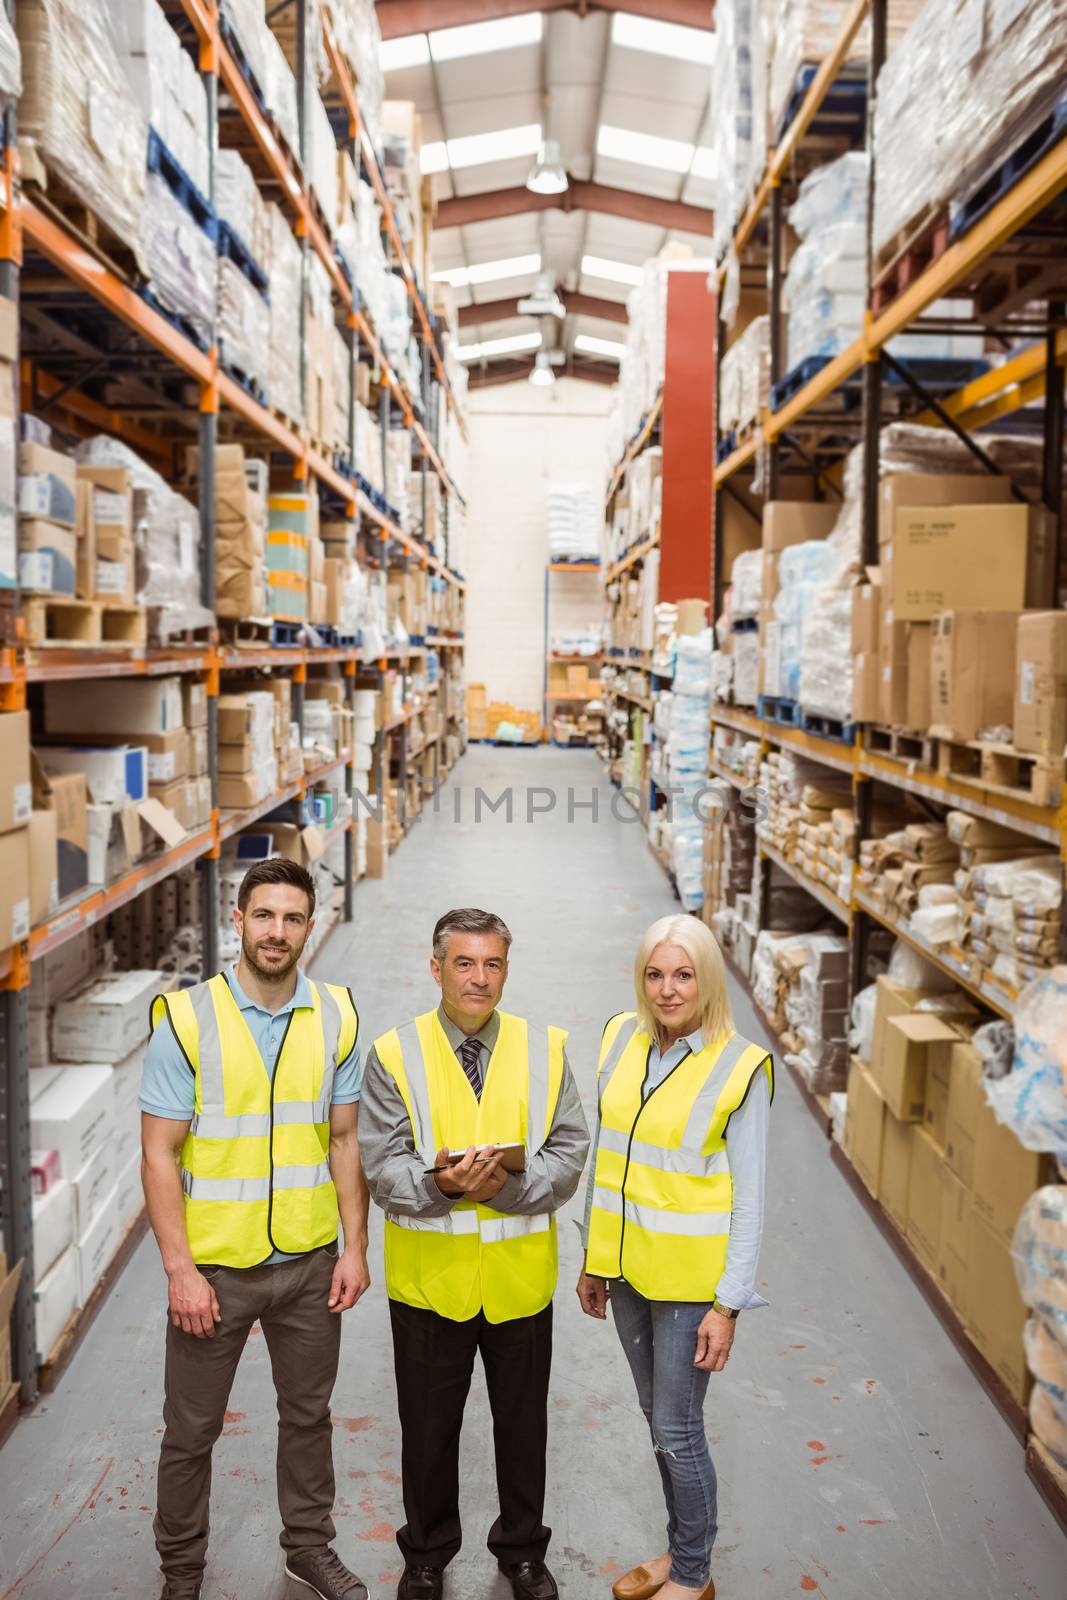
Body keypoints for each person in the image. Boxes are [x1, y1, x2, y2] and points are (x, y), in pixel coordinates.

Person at [140, 858, 371, 1600]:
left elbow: (343, 1143)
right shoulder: (187, 1018)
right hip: (214, 1272)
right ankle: (181, 1572)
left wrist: (355, 1248)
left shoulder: (335, 1013)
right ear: (236, 921)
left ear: (309, 925)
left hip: (309, 1265)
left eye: (292, 918)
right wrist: (180, 1269)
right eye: (263, 916)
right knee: (191, 1434)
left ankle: (308, 1548)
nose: (277, 932)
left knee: (308, 1417)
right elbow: (159, 1151)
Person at [360, 908, 590, 1600]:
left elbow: (570, 1150)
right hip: (430, 1282)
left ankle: (521, 1549)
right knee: (427, 1432)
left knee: (522, 1428)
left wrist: (511, 1188)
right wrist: (441, 1185)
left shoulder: (543, 1048)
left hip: (519, 1280)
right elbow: (381, 1164)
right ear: (436, 969)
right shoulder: (394, 1054)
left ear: (506, 971)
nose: (478, 978)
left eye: (492, 964)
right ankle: (426, 1553)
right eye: (464, 963)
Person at [576, 914, 773, 1600]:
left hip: (691, 1285)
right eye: (655, 975)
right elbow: (610, 1159)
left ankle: (692, 1574)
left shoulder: (740, 1067)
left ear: (707, 979)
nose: (666, 991)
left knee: (677, 1428)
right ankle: (677, 1549)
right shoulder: (618, 1039)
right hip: (629, 1274)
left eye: (683, 975)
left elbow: (749, 1198)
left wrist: (729, 1304)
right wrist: (594, 1259)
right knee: (657, 1420)